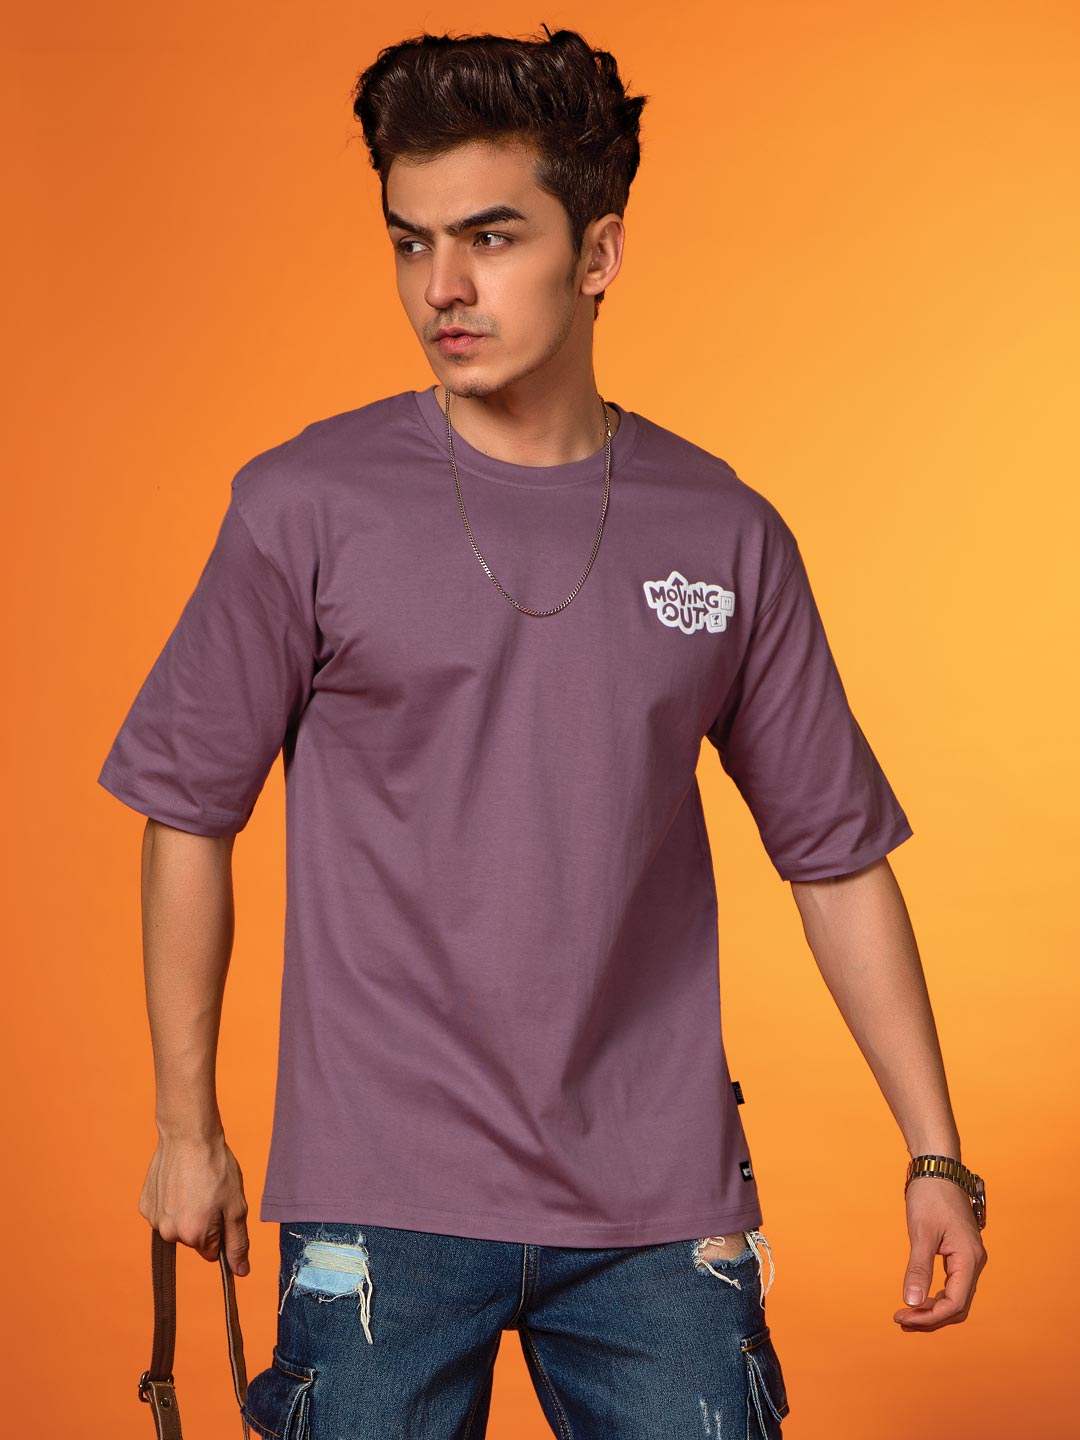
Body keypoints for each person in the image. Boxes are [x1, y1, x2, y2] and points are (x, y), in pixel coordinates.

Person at [98, 24, 987, 1439]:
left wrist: (936, 1154)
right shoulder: (303, 507)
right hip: (379, 1203)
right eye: (410, 243)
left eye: (491, 237)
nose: (440, 288)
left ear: (599, 254)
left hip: (656, 1214)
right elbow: (187, 811)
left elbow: (833, 856)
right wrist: (185, 1132)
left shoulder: (725, 529)